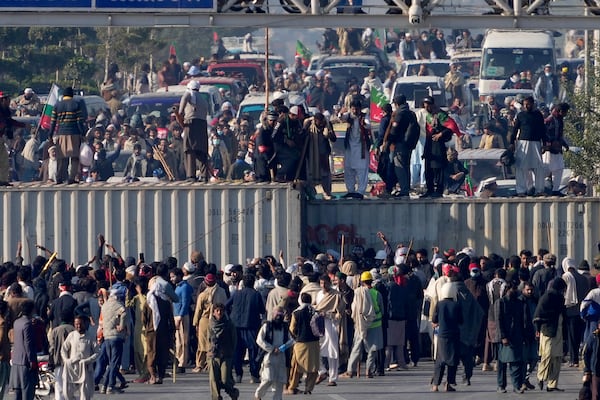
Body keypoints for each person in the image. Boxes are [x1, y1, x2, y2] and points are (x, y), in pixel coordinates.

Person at [342, 271, 383, 378]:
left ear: (362, 281)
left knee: (356, 347)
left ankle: (350, 370)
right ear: (371, 281)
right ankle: (369, 370)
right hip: (375, 324)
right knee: (372, 349)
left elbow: (354, 308)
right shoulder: (377, 294)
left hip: (360, 324)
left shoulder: (357, 292)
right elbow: (382, 310)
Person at [227, 274, 265, 384]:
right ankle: (254, 374)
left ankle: (238, 374)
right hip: (251, 326)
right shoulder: (256, 294)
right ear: (253, 283)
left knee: (237, 351)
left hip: (236, 326)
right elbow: (262, 310)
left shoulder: (236, 294)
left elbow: (226, 305)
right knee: (253, 351)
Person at [534, 277, 567, 392]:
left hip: (558, 329)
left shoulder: (560, 298)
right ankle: (541, 376)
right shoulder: (547, 297)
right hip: (548, 329)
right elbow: (539, 313)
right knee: (547, 355)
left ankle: (552, 384)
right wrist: (537, 328)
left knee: (557, 357)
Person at [510, 96, 547, 197]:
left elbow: (542, 130)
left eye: (528, 104)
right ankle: (521, 190)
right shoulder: (521, 115)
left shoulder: (538, 115)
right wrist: (511, 142)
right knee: (521, 166)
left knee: (538, 167)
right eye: (525, 104)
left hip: (536, 143)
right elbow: (515, 129)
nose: (526, 106)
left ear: (533, 104)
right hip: (523, 143)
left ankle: (539, 190)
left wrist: (545, 143)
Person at [383, 95, 419, 197]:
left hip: (400, 144)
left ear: (396, 104)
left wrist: (388, 142)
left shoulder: (399, 113)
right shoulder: (411, 113)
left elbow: (394, 130)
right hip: (409, 144)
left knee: (399, 167)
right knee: (406, 166)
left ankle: (404, 189)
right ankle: (406, 188)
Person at [48, 87, 86, 184]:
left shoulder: (57, 105)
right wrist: (83, 133)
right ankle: (71, 178)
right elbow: (79, 121)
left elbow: (52, 122)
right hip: (74, 133)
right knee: (74, 157)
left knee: (62, 157)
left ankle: (59, 178)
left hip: (61, 134)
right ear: (72, 95)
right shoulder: (76, 104)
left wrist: (50, 135)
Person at [254, 306, 293, 400]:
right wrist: (271, 349)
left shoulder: (285, 327)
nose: (279, 316)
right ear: (273, 314)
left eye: (281, 314)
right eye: (277, 314)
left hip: (281, 356)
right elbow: (259, 340)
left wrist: (282, 348)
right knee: (268, 379)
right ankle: (258, 395)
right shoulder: (266, 326)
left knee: (280, 381)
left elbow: (291, 340)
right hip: (269, 356)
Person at [286, 293, 320, 395]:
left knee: (297, 366)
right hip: (314, 342)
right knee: (313, 367)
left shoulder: (296, 313)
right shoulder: (315, 312)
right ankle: (309, 388)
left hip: (300, 343)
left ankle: (292, 386)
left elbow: (292, 329)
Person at [192, 273, 227, 373]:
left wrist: (195, 323)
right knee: (214, 342)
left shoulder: (203, 295)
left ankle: (199, 365)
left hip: (205, 320)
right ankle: (210, 363)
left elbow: (198, 310)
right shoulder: (222, 291)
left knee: (202, 344)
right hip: (218, 320)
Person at [314, 274, 345, 386]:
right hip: (319, 324)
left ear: (329, 283)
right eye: (321, 283)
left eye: (325, 283)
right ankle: (322, 371)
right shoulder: (318, 294)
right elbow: (316, 307)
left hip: (331, 324)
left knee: (332, 350)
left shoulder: (336, 295)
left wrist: (328, 315)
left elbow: (340, 312)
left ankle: (333, 378)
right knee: (316, 349)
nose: (323, 285)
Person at [420, 96, 453, 198]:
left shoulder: (440, 114)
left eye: (428, 105)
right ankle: (429, 190)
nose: (426, 107)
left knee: (438, 169)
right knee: (428, 169)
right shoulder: (427, 116)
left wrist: (440, 134)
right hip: (429, 144)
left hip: (438, 145)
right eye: (425, 105)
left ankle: (438, 191)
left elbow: (450, 127)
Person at [431, 282, 461, 392]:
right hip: (454, 335)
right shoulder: (457, 305)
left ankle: (435, 384)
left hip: (442, 335)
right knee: (452, 360)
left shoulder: (439, 304)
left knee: (440, 360)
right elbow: (461, 320)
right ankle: (448, 383)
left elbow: (434, 319)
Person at [60, 316, 98, 400]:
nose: (78, 326)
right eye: (76, 324)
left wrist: (87, 361)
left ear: (84, 324)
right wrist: (66, 360)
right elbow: (63, 350)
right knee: (67, 392)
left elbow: (97, 352)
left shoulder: (90, 336)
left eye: (80, 324)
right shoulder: (71, 335)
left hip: (85, 369)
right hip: (71, 368)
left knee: (85, 393)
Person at [179, 80, 210, 182]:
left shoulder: (189, 94)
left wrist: (180, 112)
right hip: (202, 125)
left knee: (189, 149)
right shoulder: (202, 99)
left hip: (191, 124)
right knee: (201, 150)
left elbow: (183, 101)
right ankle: (204, 175)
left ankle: (191, 175)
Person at [341, 100, 372, 199]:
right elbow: (341, 117)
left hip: (361, 148)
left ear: (359, 109)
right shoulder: (349, 116)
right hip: (350, 147)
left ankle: (360, 191)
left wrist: (364, 123)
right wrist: (340, 112)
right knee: (348, 168)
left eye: (356, 109)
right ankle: (350, 190)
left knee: (362, 169)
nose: (354, 111)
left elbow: (368, 125)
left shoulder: (364, 116)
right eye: (353, 109)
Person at [207, 303, 239, 400]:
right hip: (213, 355)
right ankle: (216, 397)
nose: (219, 312)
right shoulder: (210, 325)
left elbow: (234, 339)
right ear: (213, 312)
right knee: (213, 379)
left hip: (226, 354)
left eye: (221, 310)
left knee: (225, 379)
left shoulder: (229, 324)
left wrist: (231, 352)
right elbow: (206, 340)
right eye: (217, 311)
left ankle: (233, 393)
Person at [303, 113, 337, 200]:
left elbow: (334, 139)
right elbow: (302, 133)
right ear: (315, 121)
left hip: (323, 155)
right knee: (310, 175)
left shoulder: (328, 125)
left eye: (321, 122)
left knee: (325, 175)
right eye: (318, 122)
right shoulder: (309, 125)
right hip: (311, 155)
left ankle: (327, 193)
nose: (320, 124)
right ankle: (312, 194)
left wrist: (329, 134)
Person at [9, 299, 38, 400]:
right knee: (27, 392)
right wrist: (32, 361)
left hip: (16, 361)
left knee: (18, 393)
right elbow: (28, 344)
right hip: (26, 363)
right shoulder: (28, 324)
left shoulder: (17, 322)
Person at [543, 103, 570, 196]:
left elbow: (559, 135)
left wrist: (564, 144)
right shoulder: (550, 120)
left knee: (559, 168)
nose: (566, 114)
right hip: (549, 150)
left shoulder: (559, 120)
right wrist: (549, 142)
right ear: (561, 111)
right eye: (566, 112)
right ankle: (539, 187)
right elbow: (544, 132)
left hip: (557, 149)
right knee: (545, 169)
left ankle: (555, 189)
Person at [0, 91, 26, 186]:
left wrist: (22, 125)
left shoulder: (5, 110)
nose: (9, 101)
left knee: (4, 161)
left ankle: (2, 180)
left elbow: (9, 121)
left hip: (1, 138)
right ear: (3, 100)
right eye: (8, 99)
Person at [48, 309, 75, 400]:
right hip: (71, 361)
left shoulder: (55, 331)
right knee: (70, 385)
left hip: (58, 360)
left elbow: (51, 348)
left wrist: (50, 361)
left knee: (59, 384)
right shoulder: (73, 330)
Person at [171, 268, 193, 374]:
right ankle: (178, 359)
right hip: (176, 314)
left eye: (173, 276)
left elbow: (185, 302)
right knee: (178, 340)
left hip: (182, 315)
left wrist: (180, 316)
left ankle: (182, 362)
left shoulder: (184, 287)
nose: (172, 279)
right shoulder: (178, 287)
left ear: (179, 276)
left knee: (183, 340)